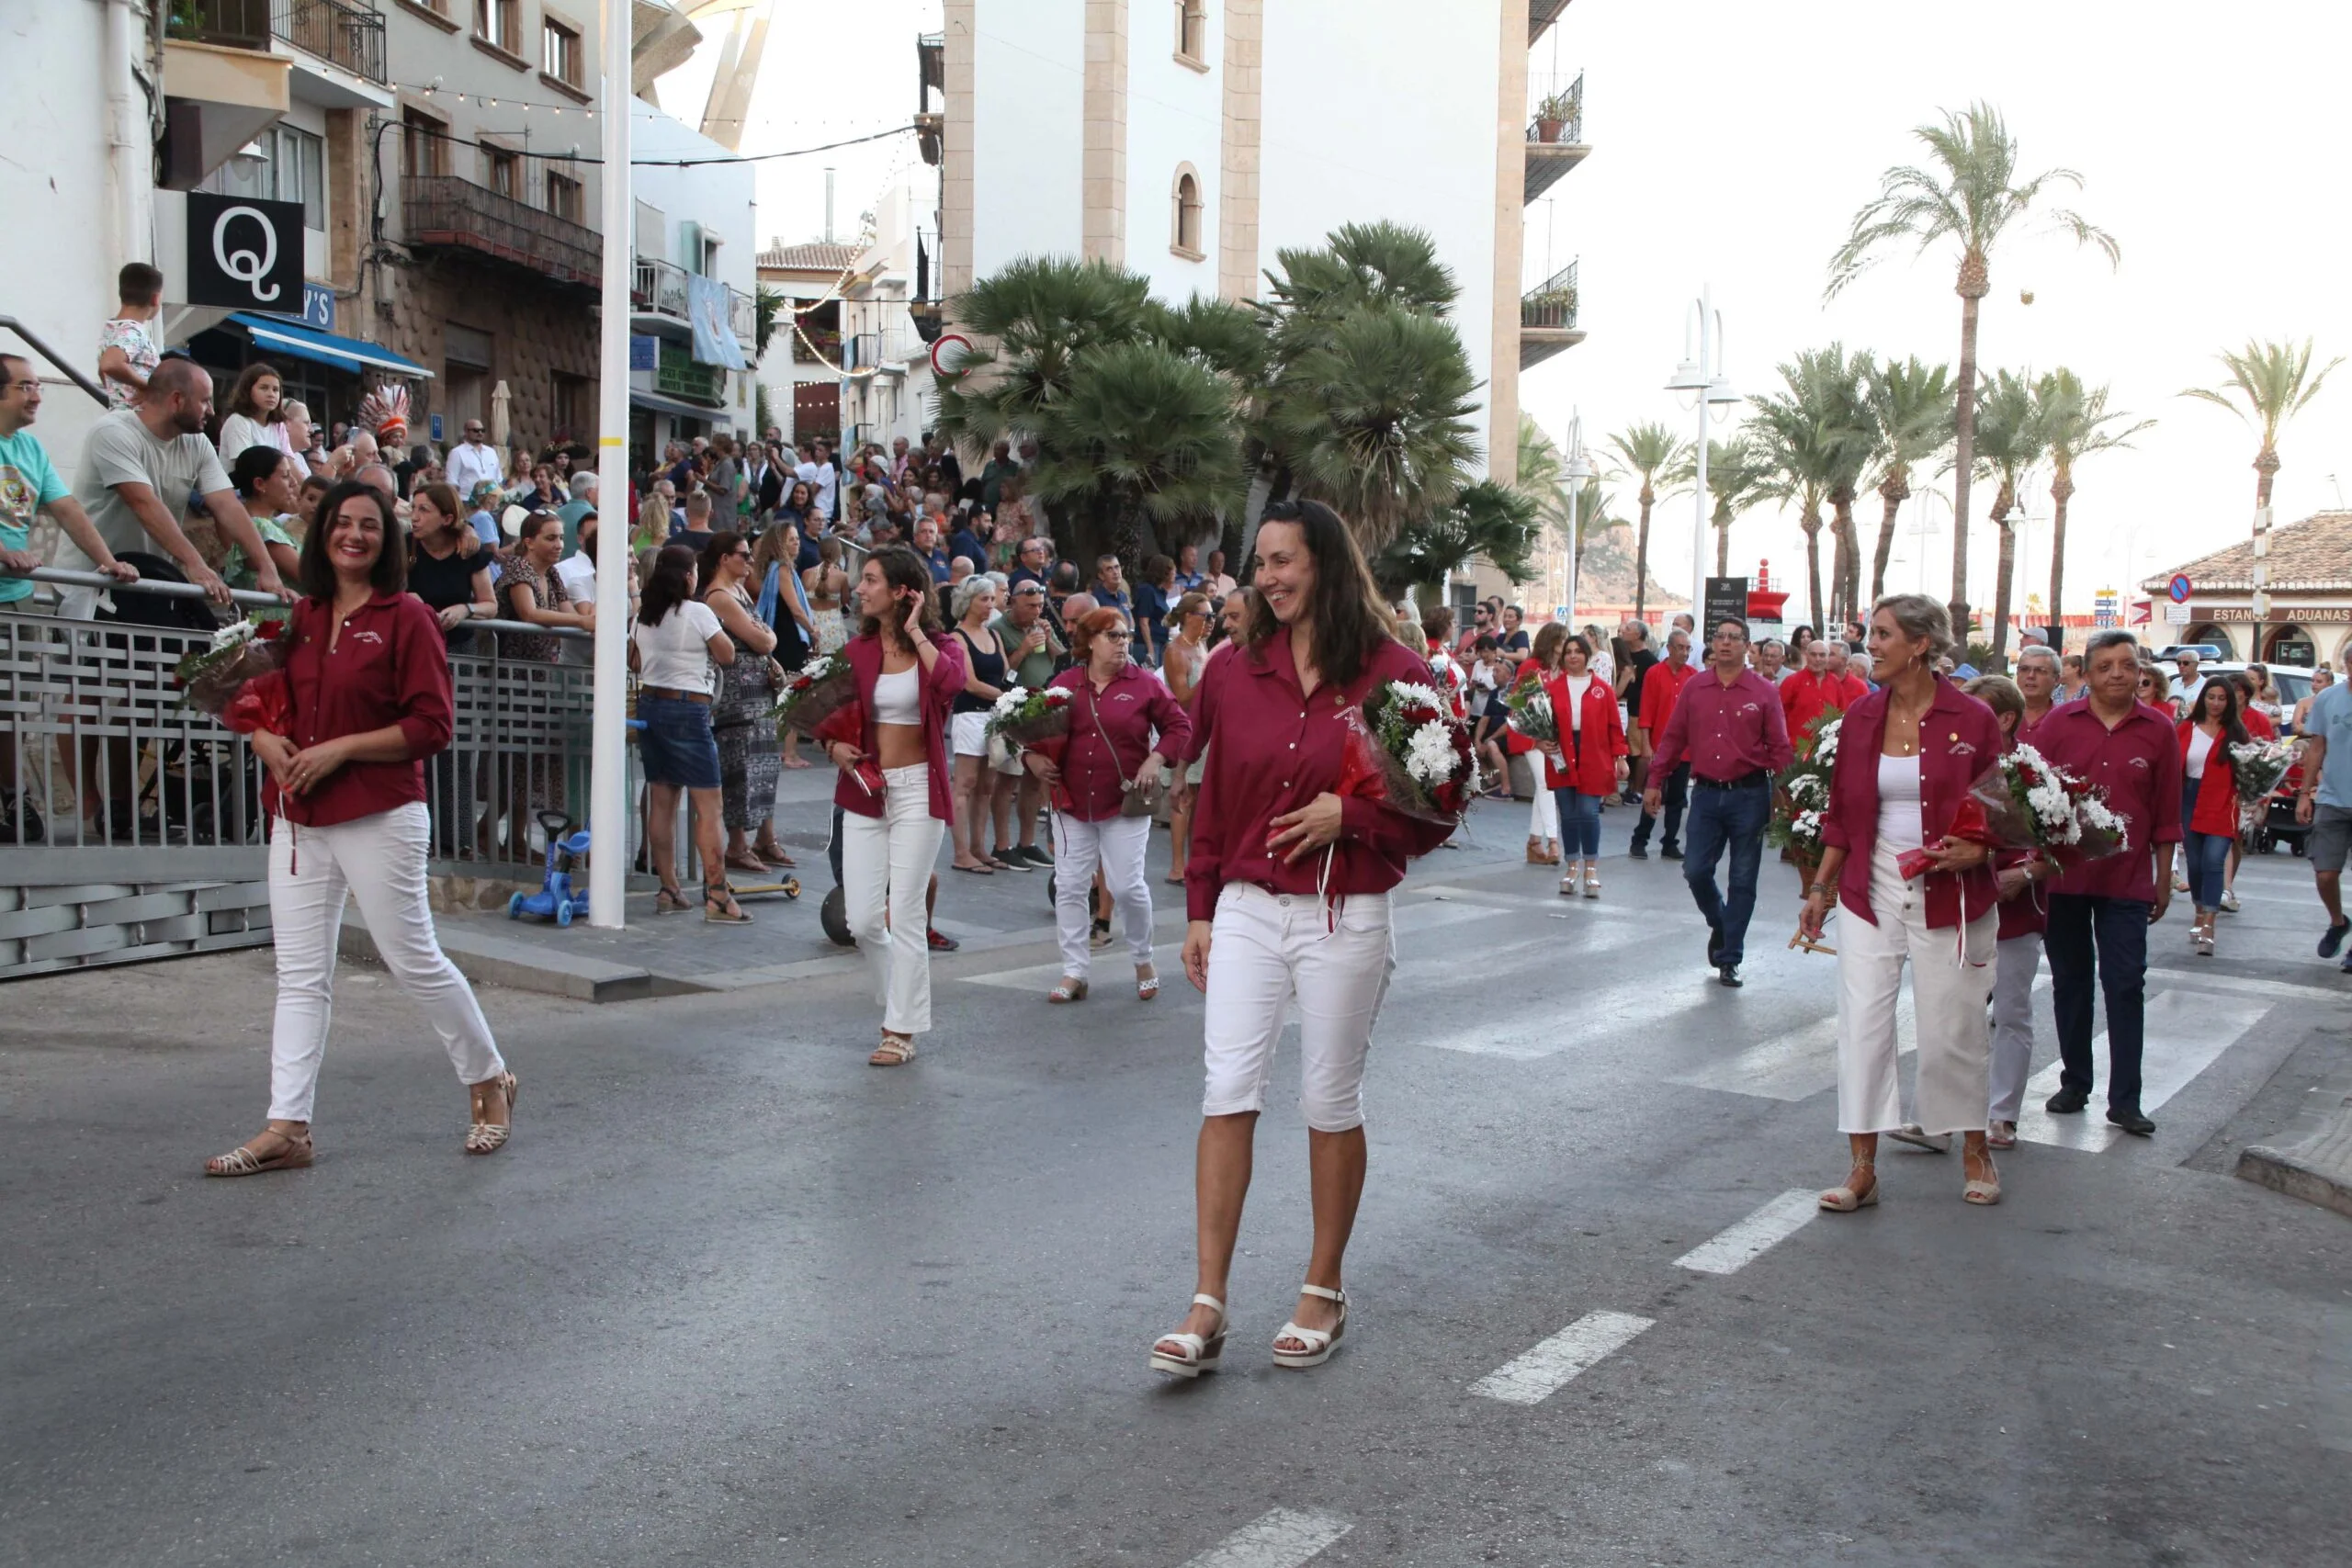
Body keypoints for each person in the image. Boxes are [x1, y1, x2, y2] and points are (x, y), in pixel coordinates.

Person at [1151, 499, 1454, 1380]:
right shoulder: (1231, 671)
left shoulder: (1398, 673)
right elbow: (1208, 797)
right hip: (1246, 901)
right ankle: (1207, 1304)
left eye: (1285, 561)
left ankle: (1322, 1286)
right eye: (1261, 564)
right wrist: (1200, 906)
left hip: (1344, 907)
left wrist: (1351, 812)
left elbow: (1437, 806)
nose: (1270, 579)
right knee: (1227, 1089)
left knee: (1327, 1099)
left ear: (1324, 561)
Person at [205, 480, 513, 1176]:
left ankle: (489, 1078)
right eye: (340, 523)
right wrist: (261, 740)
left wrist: (341, 748)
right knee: (300, 974)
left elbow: (432, 725)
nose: (353, 534)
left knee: (412, 959)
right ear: (321, 536)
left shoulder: (408, 617)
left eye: (369, 525)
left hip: (380, 811)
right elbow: (264, 704)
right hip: (297, 816)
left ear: (389, 540)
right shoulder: (301, 618)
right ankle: (288, 1125)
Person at [1794, 595, 2006, 1210]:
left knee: (1954, 1026)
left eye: (1883, 635)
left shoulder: (1974, 718)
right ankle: (1862, 1165)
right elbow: (1841, 815)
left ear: (1919, 644)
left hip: (1951, 889)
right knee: (1861, 1025)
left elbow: (2000, 809)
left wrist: (1981, 852)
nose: (1872, 646)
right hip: (1871, 885)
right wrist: (1820, 888)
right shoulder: (1860, 716)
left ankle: (1974, 1147)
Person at [2024, 629, 2181, 1137]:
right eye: (2107, 665)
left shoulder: (2158, 731)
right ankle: (2075, 1082)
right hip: (2065, 877)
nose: (2118, 674)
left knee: (2125, 984)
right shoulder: (2056, 724)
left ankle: (2126, 1098)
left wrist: (2163, 876)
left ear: (2141, 672)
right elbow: (2030, 794)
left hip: (2128, 880)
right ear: (2086, 673)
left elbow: (2165, 812)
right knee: (2071, 981)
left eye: (2128, 665)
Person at [829, 547, 967, 1066]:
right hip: (866, 789)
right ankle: (900, 1000)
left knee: (906, 911)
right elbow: (835, 717)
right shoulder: (858, 650)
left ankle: (899, 1028)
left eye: (870, 580)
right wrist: (833, 748)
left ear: (902, 591)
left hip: (917, 790)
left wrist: (918, 631)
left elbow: (953, 685)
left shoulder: (940, 645)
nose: (860, 589)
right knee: (863, 921)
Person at [1028, 604, 1191, 1001]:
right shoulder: (1065, 684)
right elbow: (1034, 734)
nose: (1123, 644)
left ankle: (1143, 957)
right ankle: (1074, 971)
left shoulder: (1144, 683)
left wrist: (1156, 758)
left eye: (1127, 636)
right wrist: (1031, 759)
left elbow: (1180, 725)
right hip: (1071, 801)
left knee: (1126, 885)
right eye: (1113, 636)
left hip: (1124, 803)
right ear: (1089, 642)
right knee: (1069, 886)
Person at [61, 357, 288, 614]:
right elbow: (143, 503)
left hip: (146, 583)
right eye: (205, 401)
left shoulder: (197, 443)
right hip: (89, 582)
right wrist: (195, 563)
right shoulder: (113, 432)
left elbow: (227, 505)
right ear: (177, 399)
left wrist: (268, 569)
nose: (212, 411)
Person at [1648, 618, 1792, 985]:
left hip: (1750, 795)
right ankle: (1721, 923)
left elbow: (1779, 747)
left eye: (1734, 638)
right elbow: (1673, 737)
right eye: (1719, 637)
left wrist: (1786, 795)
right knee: (1695, 869)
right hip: (1708, 795)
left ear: (1748, 647)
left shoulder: (1764, 692)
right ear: (1712, 644)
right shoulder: (1696, 687)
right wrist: (1655, 780)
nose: (1725, 643)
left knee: (1743, 879)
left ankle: (1730, 957)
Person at [631, 544, 746, 921]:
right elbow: (727, 653)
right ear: (688, 576)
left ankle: (668, 888)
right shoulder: (697, 611)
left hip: (651, 706)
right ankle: (716, 894)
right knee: (708, 806)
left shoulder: (642, 616)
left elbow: (634, 660)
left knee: (661, 798)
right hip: (688, 708)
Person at [1964, 674, 2047, 1151]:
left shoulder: (2031, 772)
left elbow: (2061, 844)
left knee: (2011, 1011)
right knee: (1954, 1010)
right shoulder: (1956, 763)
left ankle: (2002, 1115)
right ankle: (1943, 1110)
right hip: (1960, 903)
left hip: (2015, 909)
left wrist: (2027, 874)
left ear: (2005, 719)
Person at [0, 351, 139, 619]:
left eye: (37, 387)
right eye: (25, 387)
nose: (37, 397)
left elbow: (68, 510)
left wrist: (108, 563)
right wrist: (4, 553)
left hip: (18, 595)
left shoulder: (31, 449)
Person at [694, 531, 786, 878]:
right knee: (740, 768)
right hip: (737, 696)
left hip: (757, 692)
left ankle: (764, 837)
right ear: (724, 559)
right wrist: (768, 641)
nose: (749, 562)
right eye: (744, 555)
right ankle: (737, 844)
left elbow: (762, 632)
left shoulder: (739, 591)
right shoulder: (719, 596)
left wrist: (767, 641)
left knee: (763, 764)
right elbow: (761, 638)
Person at [1544, 632, 1629, 897]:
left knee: (1588, 812)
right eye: (1568, 651)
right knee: (1568, 814)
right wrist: (1540, 743)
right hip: (1562, 753)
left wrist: (1621, 756)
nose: (1572, 656)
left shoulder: (1602, 689)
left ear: (1586, 655)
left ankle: (1591, 867)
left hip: (1594, 753)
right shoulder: (1553, 688)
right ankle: (1572, 866)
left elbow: (1615, 727)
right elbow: (1540, 723)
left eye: (1577, 651)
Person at [987, 578, 1063, 869]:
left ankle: (1028, 843)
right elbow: (1002, 673)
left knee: (1034, 779)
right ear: (1014, 601)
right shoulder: (998, 630)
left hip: (1042, 708)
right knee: (1008, 778)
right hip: (1014, 709)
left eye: (1041, 606)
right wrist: (1024, 649)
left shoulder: (1040, 626)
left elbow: (1057, 658)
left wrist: (1048, 637)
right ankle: (1002, 845)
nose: (1036, 611)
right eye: (1031, 605)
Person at [2176, 676, 2247, 959]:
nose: (2216, 703)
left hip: (2222, 801)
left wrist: (2254, 800)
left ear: (2229, 702)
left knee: (2214, 860)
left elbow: (2248, 770)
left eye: (2222, 698)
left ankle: (2209, 923)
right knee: (2194, 862)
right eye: (2211, 697)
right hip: (2189, 798)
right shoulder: (2185, 729)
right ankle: (2199, 909)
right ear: (2203, 698)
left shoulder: (2236, 733)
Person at [946, 575, 1012, 873]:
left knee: (987, 785)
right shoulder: (958, 637)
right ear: (968, 602)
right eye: (983, 599)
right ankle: (961, 851)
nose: (990, 605)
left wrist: (1013, 697)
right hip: (970, 712)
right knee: (965, 782)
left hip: (995, 714)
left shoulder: (994, 635)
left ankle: (978, 847)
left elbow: (1006, 671)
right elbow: (969, 682)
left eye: (991, 599)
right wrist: (1005, 697)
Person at [2295, 664, 2352, 969]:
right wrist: (2305, 794)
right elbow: (2317, 747)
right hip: (2333, 798)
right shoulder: (2329, 698)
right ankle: (2338, 921)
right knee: (2325, 873)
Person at [1630, 626, 1697, 859]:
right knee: (1653, 793)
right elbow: (1646, 711)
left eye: (1688, 648)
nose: (1684, 653)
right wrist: (1647, 745)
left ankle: (1670, 842)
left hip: (1685, 751)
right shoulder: (1655, 673)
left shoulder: (1692, 676)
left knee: (1677, 799)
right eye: (1680, 648)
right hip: (1659, 747)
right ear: (1669, 648)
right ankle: (1639, 840)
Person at [1162, 591, 1214, 885]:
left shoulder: (1203, 646)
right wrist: (1212, 678)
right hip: (1184, 727)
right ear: (1187, 617)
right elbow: (1182, 698)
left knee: (1198, 796)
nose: (1211, 622)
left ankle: (1194, 861)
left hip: (1204, 730)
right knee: (1183, 797)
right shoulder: (1175, 651)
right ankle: (1177, 866)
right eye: (1206, 616)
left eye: (1213, 617)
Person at [220, 447, 305, 592]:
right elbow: (311, 578)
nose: (294, 482)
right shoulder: (261, 527)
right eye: (285, 476)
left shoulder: (268, 523)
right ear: (260, 484)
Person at [216, 363, 309, 476]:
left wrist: (303, 490)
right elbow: (246, 468)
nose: (271, 394)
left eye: (275, 390)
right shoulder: (238, 421)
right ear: (248, 391)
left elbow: (289, 463)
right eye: (264, 388)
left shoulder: (278, 425)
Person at [96, 262, 164, 411]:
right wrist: (147, 387)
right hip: (135, 417)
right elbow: (110, 364)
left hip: (119, 415)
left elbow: (103, 370)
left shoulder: (111, 328)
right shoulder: (133, 332)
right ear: (156, 299)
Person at [1617, 619, 1659, 806]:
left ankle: (1637, 789)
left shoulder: (1649, 661)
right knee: (1628, 751)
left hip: (1637, 712)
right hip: (1622, 710)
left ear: (1637, 635)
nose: (1623, 632)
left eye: (1627, 629)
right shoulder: (1622, 655)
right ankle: (1630, 785)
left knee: (1639, 752)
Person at [803, 536, 850, 655]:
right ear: (838, 554)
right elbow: (845, 601)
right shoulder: (842, 576)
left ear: (819, 553)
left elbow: (802, 601)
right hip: (833, 627)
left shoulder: (806, 574)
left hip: (811, 625)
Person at [444, 416, 503, 500]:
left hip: (491, 502)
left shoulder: (491, 452)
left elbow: (499, 479)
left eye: (483, 430)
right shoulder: (457, 453)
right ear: (466, 432)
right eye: (476, 430)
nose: (480, 433)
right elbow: (452, 482)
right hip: (467, 501)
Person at [2014, 644, 2061, 728]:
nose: (2031, 676)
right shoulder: (2000, 716)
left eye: (2040, 671)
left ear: (2057, 679)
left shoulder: (2064, 721)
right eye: (2024, 669)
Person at [2291, 665, 2334, 737]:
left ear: (2329, 683)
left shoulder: (2337, 702)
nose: (2314, 684)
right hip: (2306, 741)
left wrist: (2306, 727)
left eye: (2319, 682)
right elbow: (2296, 728)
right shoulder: (2303, 702)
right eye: (2312, 681)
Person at [1091, 554, 1133, 622]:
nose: (1115, 572)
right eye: (1109, 569)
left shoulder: (1123, 596)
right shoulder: (1096, 599)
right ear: (1101, 575)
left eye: (1117, 567)